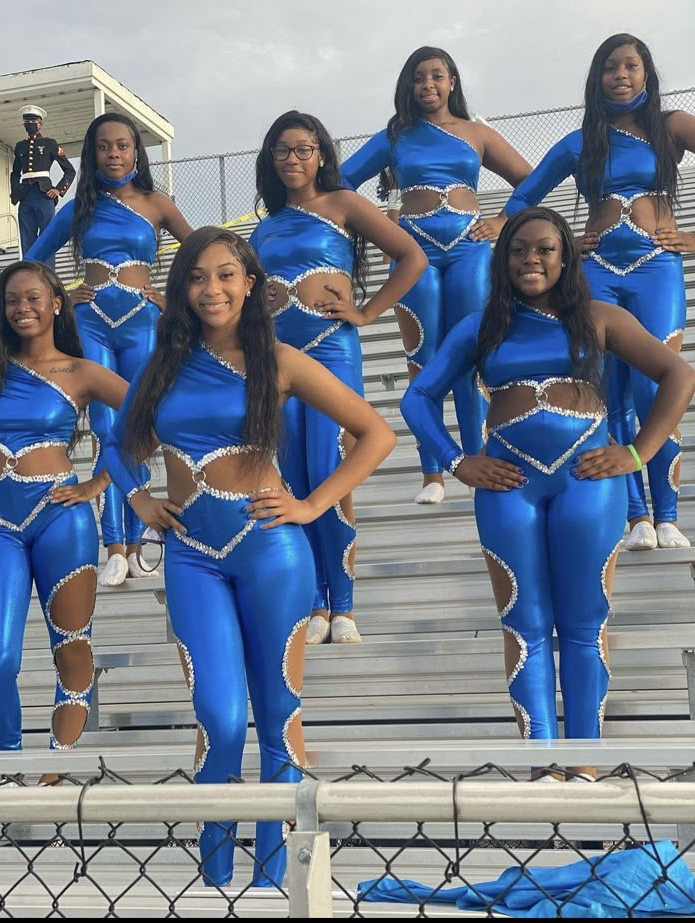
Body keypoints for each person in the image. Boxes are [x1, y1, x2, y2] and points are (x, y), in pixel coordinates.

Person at [103, 227, 396, 887]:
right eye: (199, 277)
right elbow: (116, 448)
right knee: (220, 714)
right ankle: (214, 882)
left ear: (251, 282)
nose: (213, 289)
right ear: (181, 289)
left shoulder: (280, 359)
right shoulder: (162, 365)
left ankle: (271, 884)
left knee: (279, 714)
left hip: (271, 549)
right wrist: (142, 502)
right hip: (193, 556)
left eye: (226, 274)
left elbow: (377, 434)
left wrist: (313, 504)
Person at [401, 208, 694, 772]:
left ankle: (583, 766)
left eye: (544, 249)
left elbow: (679, 375)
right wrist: (458, 462)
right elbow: (418, 398)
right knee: (524, 623)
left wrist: (638, 452)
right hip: (508, 485)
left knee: (585, 624)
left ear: (565, 257)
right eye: (518, 250)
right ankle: (541, 767)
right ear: (502, 258)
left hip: (587, 483)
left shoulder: (599, 316)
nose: (530, 259)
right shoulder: (480, 326)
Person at [503, 33, 695, 550]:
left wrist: (692, 238)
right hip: (599, 271)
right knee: (607, 392)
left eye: (630, 65)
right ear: (597, 78)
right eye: (610, 67)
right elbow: (524, 194)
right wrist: (563, 238)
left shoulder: (671, 126)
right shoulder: (579, 141)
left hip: (658, 267)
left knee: (652, 387)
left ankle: (669, 513)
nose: (620, 75)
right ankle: (636, 516)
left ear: (647, 73)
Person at [250, 111, 425, 645]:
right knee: (294, 478)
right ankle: (313, 602)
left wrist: (368, 313)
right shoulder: (263, 225)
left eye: (303, 149)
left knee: (332, 469)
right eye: (282, 151)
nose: (293, 160)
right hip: (279, 359)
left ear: (322, 153)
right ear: (270, 159)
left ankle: (343, 603)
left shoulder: (344, 204)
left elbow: (411, 257)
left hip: (332, 352)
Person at [341, 46, 532, 504]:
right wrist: (383, 223)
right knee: (420, 358)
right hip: (415, 253)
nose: (428, 85)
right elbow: (343, 180)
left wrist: (504, 222)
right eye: (419, 78)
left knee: (469, 355)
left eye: (437, 76)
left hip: (470, 249)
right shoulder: (396, 134)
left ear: (452, 83)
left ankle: (478, 454)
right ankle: (433, 472)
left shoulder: (476, 133)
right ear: (408, 86)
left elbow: (530, 178)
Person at [0, 260, 128, 754]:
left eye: (33, 298)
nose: (22, 308)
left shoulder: (81, 371)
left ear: (57, 303)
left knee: (72, 649)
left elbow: (154, 419)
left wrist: (101, 482)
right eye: (12, 300)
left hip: (62, 517)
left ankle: (57, 773)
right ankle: (7, 766)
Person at [27, 113, 193, 585]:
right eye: (104, 147)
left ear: (137, 151)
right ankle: (114, 543)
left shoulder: (158, 203)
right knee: (104, 425)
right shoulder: (80, 205)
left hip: (142, 320)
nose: (114, 154)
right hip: (91, 321)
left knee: (136, 421)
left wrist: (173, 297)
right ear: (92, 153)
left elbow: (202, 250)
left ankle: (139, 540)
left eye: (123, 146)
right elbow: (34, 258)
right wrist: (62, 295)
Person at [10, 106, 76, 269]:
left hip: (44, 195)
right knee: (27, 238)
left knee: (47, 236)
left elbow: (70, 170)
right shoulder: (20, 146)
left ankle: (48, 273)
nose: (29, 124)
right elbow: (15, 173)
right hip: (25, 195)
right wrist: (15, 192)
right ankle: (28, 271)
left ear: (40, 124)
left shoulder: (49, 144)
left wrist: (58, 190)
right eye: (27, 121)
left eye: (33, 121)